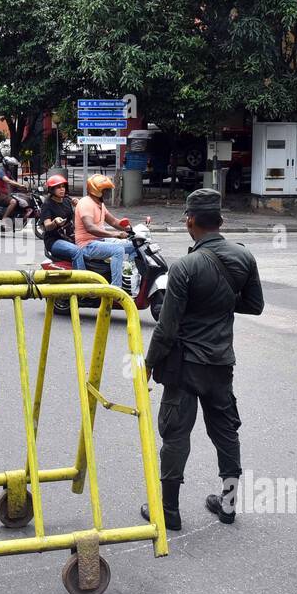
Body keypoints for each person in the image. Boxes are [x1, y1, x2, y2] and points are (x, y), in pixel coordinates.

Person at [140, 188, 264, 530]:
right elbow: (255, 305)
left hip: (185, 366)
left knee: (176, 436)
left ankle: (169, 512)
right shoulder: (243, 256)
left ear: (190, 221)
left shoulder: (186, 267)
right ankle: (228, 505)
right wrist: (220, 303)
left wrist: (148, 364)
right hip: (222, 364)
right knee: (226, 433)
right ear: (221, 221)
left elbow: (167, 328)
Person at [74, 174, 136, 289]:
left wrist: (129, 228)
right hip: (87, 245)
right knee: (118, 250)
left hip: (100, 241)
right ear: (97, 191)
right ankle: (116, 288)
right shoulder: (86, 203)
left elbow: (113, 222)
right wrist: (115, 234)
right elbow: (90, 227)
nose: (108, 193)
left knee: (134, 246)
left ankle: (130, 277)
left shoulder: (99, 203)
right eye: (106, 190)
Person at [38, 174, 80, 264]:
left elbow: (74, 222)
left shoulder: (67, 201)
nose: (62, 189)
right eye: (58, 187)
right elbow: (47, 226)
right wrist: (55, 222)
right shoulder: (47, 205)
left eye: (63, 187)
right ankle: (82, 277)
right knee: (77, 251)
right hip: (54, 241)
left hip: (68, 237)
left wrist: (78, 207)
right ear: (52, 189)